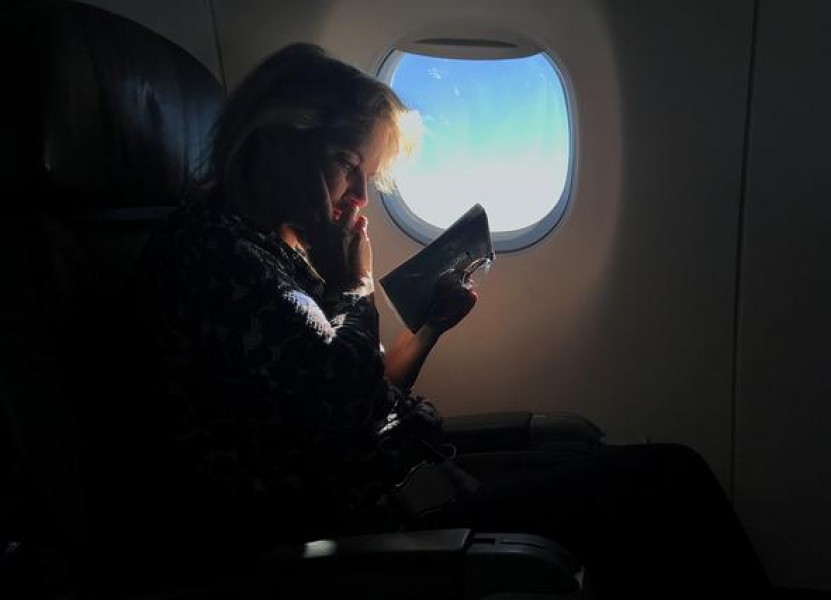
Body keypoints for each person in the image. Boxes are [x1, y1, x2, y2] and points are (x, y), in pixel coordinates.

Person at [136, 43, 769, 595]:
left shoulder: (275, 247)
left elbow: (360, 395)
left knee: (659, 474)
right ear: (276, 139)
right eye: (347, 165)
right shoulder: (214, 256)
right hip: (358, 522)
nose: (360, 197)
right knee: (664, 486)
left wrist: (430, 326)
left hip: (401, 477)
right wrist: (354, 285)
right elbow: (340, 410)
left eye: (366, 176)